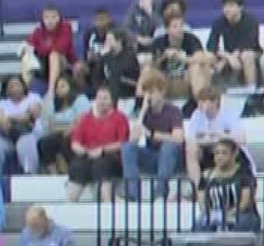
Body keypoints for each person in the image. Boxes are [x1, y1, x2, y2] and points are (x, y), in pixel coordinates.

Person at [123, 71, 186, 202]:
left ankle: (160, 192)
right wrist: (142, 112)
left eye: (151, 92)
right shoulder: (145, 112)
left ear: (162, 92)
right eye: (146, 93)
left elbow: (178, 138)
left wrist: (152, 134)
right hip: (153, 157)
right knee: (128, 147)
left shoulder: (173, 111)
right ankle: (132, 194)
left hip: (173, 159)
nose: (148, 97)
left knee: (168, 146)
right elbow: (133, 139)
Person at [66, 86, 129, 202]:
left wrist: (102, 150)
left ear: (112, 101)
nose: (102, 102)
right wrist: (80, 149)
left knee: (101, 165)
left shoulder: (119, 118)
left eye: (105, 98)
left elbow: (123, 142)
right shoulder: (86, 118)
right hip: (88, 155)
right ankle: (71, 203)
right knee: (78, 166)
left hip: (111, 157)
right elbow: (75, 142)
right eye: (99, 98)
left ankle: (107, 202)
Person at [184, 85, 245, 187]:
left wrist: (220, 136)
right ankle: (198, 186)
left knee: (223, 149)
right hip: (205, 150)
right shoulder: (197, 115)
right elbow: (190, 138)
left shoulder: (227, 114)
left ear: (215, 102)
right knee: (191, 149)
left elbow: (241, 139)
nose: (202, 105)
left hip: (225, 149)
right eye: (200, 101)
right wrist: (205, 139)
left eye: (205, 101)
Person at [195, 138, 259, 232]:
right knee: (200, 224)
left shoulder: (244, 173)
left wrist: (228, 215)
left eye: (224, 153)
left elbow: (245, 202)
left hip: (241, 214)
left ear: (234, 154)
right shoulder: (206, 175)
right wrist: (211, 214)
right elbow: (202, 200)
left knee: (240, 222)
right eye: (216, 153)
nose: (219, 157)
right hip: (214, 214)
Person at [0, 75, 45, 177]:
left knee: (25, 142)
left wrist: (9, 118)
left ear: (23, 86)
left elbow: (30, 116)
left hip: (30, 133)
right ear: (6, 90)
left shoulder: (33, 98)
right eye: (11, 86)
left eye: (17, 85)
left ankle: (30, 175)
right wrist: (8, 121)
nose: (15, 88)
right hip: (9, 136)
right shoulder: (2, 103)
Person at [205, 0, 262, 92]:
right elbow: (211, 45)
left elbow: (250, 43)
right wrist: (227, 57)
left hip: (251, 52)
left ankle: (251, 90)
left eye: (231, 6)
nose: (227, 10)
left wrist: (233, 56)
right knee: (209, 57)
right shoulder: (219, 22)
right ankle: (207, 92)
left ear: (240, 7)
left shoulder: (251, 21)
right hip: (229, 54)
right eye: (225, 6)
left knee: (246, 55)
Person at [21, 5, 74, 94]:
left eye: (53, 17)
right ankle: (25, 91)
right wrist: (27, 49)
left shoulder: (66, 27)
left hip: (63, 63)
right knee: (26, 57)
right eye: (46, 17)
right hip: (43, 63)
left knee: (54, 54)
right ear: (42, 19)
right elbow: (30, 45)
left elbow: (60, 47)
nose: (50, 21)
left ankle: (51, 90)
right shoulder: (38, 31)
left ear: (59, 18)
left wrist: (40, 49)